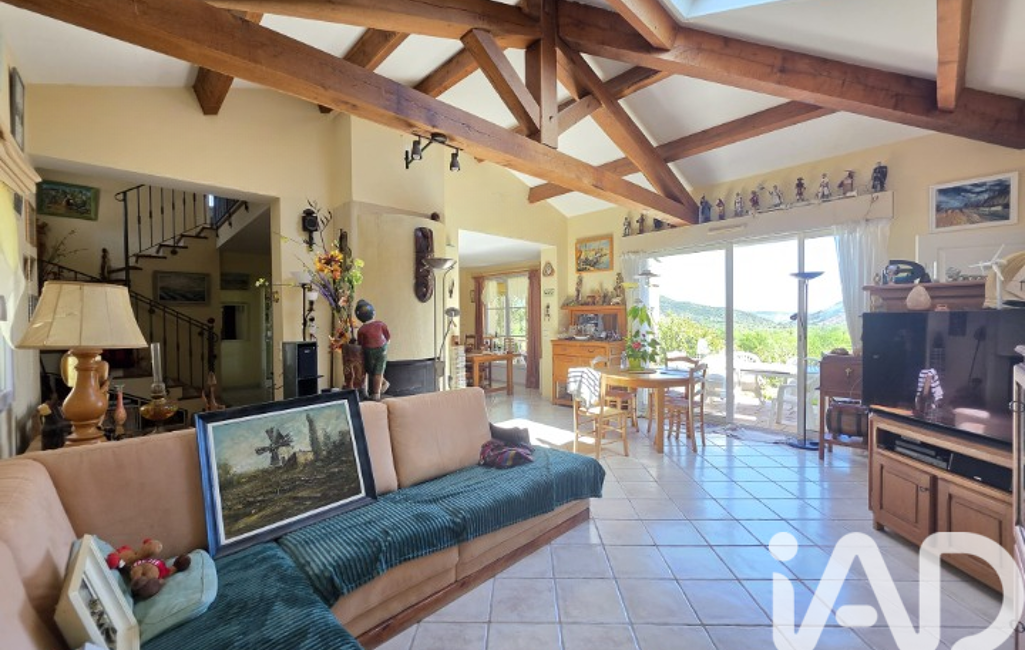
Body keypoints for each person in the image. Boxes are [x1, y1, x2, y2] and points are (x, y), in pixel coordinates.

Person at [355, 299, 391, 400]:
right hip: (373, 351)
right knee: (373, 371)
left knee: (377, 371)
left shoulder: (365, 329)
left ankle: (376, 394)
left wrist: (385, 345)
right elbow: (388, 336)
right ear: (373, 312)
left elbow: (360, 344)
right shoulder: (366, 329)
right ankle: (383, 384)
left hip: (379, 350)